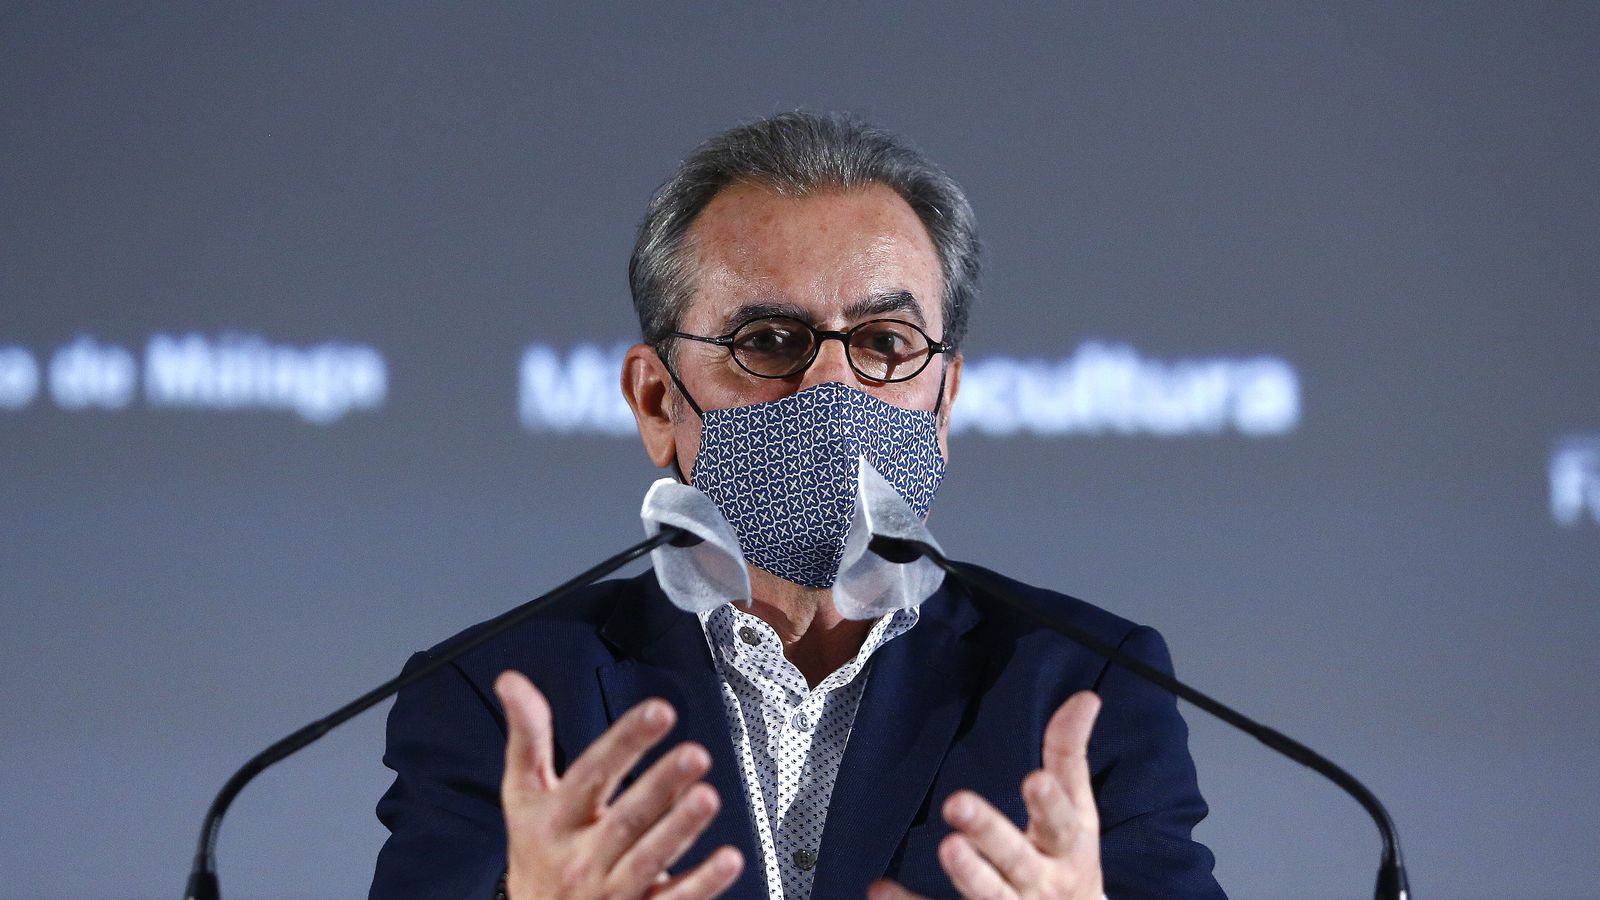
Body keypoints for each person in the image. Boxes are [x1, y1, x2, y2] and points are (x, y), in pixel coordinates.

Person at [370, 112, 1224, 900]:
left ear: (944, 403)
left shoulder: (1086, 683)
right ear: (658, 401)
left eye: (885, 344)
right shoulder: (496, 693)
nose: (832, 386)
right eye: (769, 342)